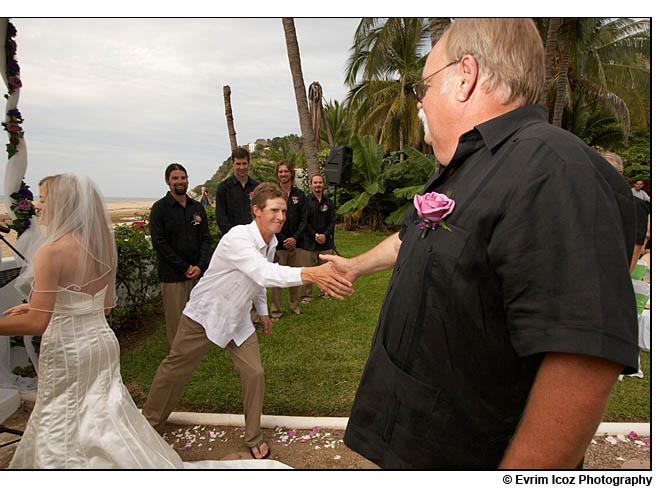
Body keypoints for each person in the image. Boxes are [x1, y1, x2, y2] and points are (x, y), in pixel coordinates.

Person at [322, 18, 638, 469]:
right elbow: (413, 236)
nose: (420, 102)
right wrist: (354, 266)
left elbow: (583, 356)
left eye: (424, 86)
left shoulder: (553, 169)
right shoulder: (466, 168)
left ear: (464, 76)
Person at [0, 173, 183, 469]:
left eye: (43, 200)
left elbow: (35, 325)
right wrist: (41, 306)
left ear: (61, 204)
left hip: (68, 348)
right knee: (104, 416)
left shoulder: (51, 252)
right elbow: (104, 307)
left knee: (62, 418)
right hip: (102, 344)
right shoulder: (102, 247)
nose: (38, 207)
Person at [142, 183, 353, 460]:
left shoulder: (272, 242)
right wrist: (312, 274)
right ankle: (148, 424)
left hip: (239, 318)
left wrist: (263, 312)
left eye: (283, 210)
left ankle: (253, 435)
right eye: (274, 210)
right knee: (175, 371)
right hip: (207, 314)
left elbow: (256, 281)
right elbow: (263, 273)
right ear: (256, 211)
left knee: (254, 374)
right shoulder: (237, 238)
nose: (280, 216)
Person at [149, 163, 211, 351]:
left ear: (187, 179)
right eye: (175, 178)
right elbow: (160, 244)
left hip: (197, 273)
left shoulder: (197, 207)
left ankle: (196, 350)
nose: (180, 181)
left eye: (182, 178)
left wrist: (200, 266)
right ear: (167, 181)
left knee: (198, 315)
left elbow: (206, 238)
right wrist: (184, 267)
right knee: (176, 319)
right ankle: (177, 354)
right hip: (172, 275)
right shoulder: (159, 209)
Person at [269, 160, 307, 321]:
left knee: (295, 276)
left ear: (291, 173)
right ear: (277, 174)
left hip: (296, 243)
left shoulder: (300, 195)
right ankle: (276, 311)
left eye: (286, 171)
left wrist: (295, 238)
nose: (283, 174)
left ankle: (294, 305)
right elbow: (270, 219)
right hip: (278, 244)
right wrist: (284, 239)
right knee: (277, 278)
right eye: (280, 172)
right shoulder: (272, 195)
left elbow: (304, 219)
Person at [300, 174, 336, 304]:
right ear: (311, 185)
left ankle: (325, 292)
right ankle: (307, 295)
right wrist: (315, 235)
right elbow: (304, 222)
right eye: (315, 182)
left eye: (320, 182)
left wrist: (325, 235)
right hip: (309, 241)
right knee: (309, 270)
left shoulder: (328, 202)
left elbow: (332, 221)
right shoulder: (306, 202)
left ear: (323, 185)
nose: (318, 185)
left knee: (326, 269)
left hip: (325, 242)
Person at [215, 147, 258, 235]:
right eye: (238, 164)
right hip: (232, 238)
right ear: (232, 164)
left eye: (244, 163)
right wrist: (234, 236)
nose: (241, 167)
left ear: (249, 163)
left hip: (254, 237)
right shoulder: (223, 188)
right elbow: (221, 217)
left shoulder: (257, 187)